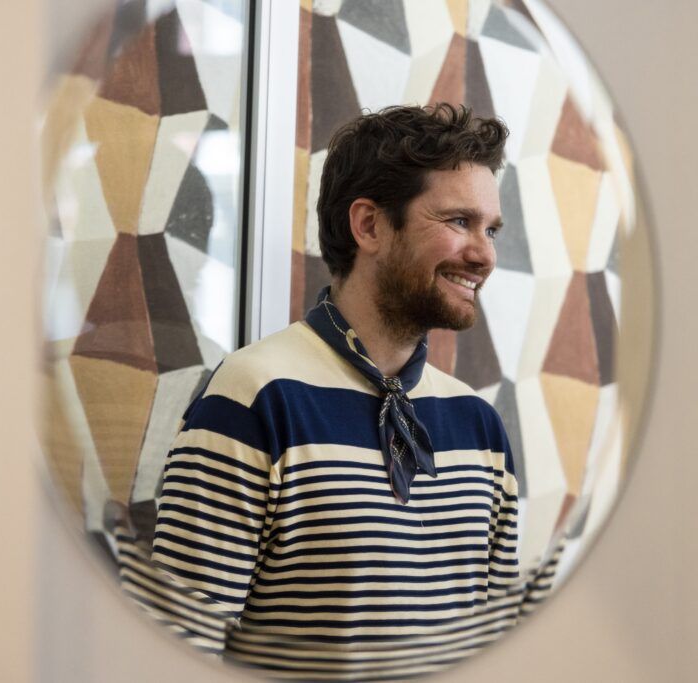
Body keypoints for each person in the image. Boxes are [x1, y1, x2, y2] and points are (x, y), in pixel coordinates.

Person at [150, 103, 522, 680]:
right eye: (458, 222)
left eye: (490, 229)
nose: (485, 255)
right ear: (369, 225)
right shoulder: (254, 398)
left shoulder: (479, 424)